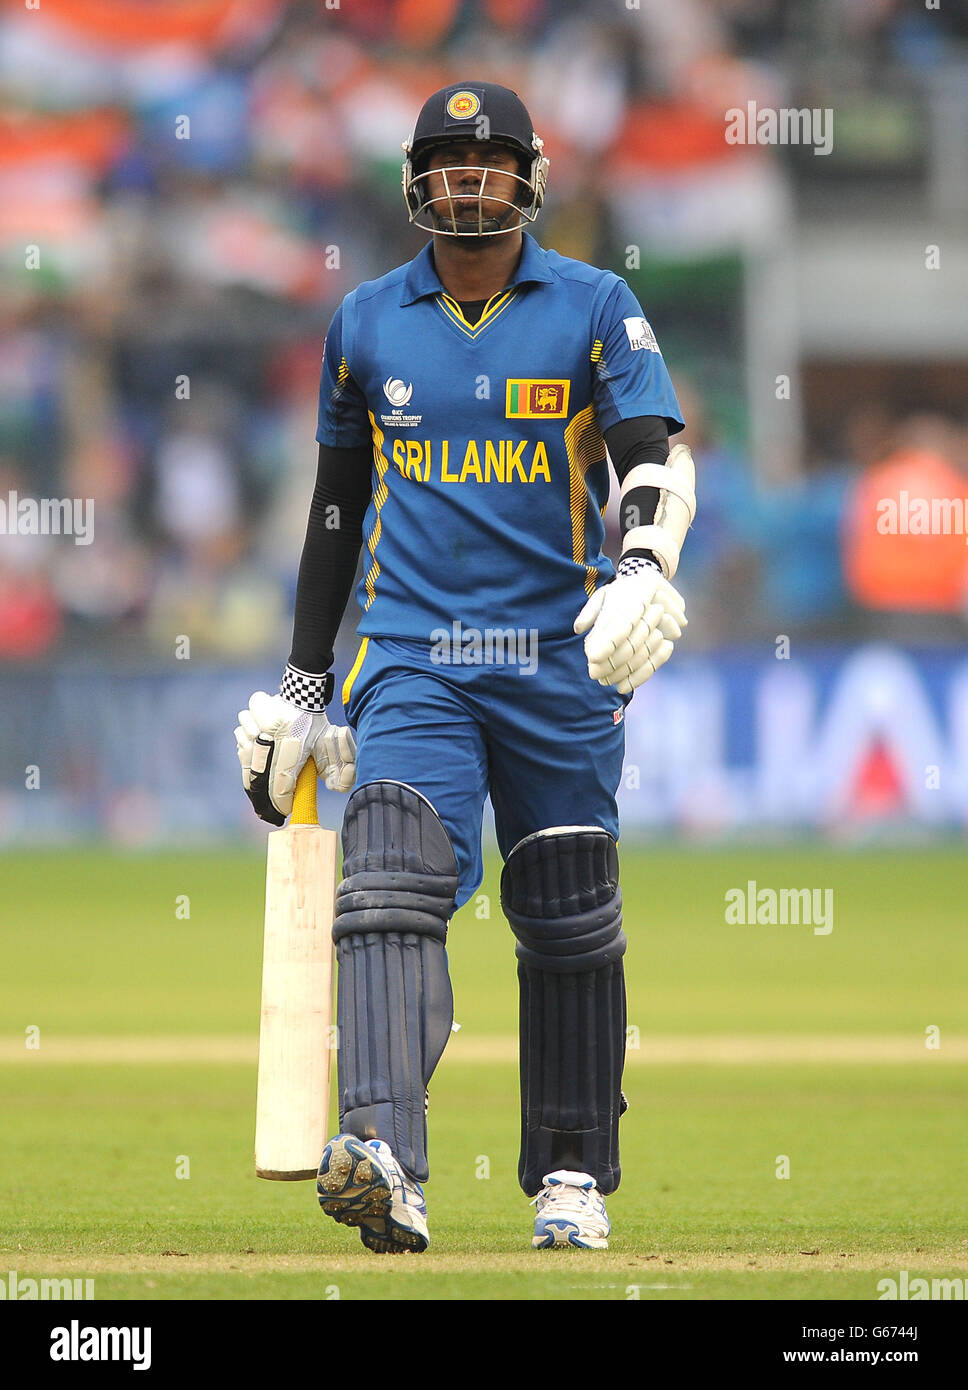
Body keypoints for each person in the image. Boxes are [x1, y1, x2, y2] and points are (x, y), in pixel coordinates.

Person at [235, 81, 695, 1253]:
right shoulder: (366, 320)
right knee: (387, 878)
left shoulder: (594, 305)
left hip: (558, 655)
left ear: (530, 176)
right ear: (415, 181)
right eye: (447, 161)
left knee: (566, 915)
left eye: (489, 161)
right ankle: (383, 1151)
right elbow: (336, 512)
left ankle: (573, 1174)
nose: (469, 181)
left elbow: (650, 457)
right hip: (412, 657)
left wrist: (644, 564)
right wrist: (300, 683)